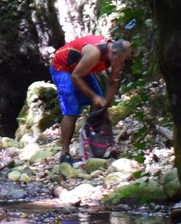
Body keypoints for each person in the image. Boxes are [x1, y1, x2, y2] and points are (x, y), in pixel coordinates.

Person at [48, 34, 132, 163]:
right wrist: (94, 97)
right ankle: (64, 153)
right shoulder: (94, 53)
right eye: (121, 59)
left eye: (124, 60)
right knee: (72, 109)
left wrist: (105, 105)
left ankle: (95, 141)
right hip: (62, 68)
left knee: (99, 104)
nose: (121, 63)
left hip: (81, 69)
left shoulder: (116, 56)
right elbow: (75, 77)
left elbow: (113, 82)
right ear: (113, 52)